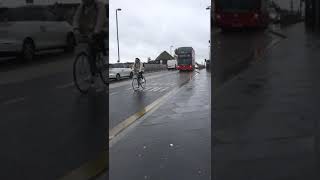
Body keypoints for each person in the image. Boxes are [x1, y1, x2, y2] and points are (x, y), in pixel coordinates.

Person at [73, 0, 107, 86]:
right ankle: (93, 68)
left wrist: (96, 32)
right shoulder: (82, 6)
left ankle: (102, 60)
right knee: (87, 49)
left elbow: (101, 19)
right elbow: (76, 18)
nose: (84, 1)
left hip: (101, 29)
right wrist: (76, 29)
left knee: (94, 48)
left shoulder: (99, 5)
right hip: (88, 31)